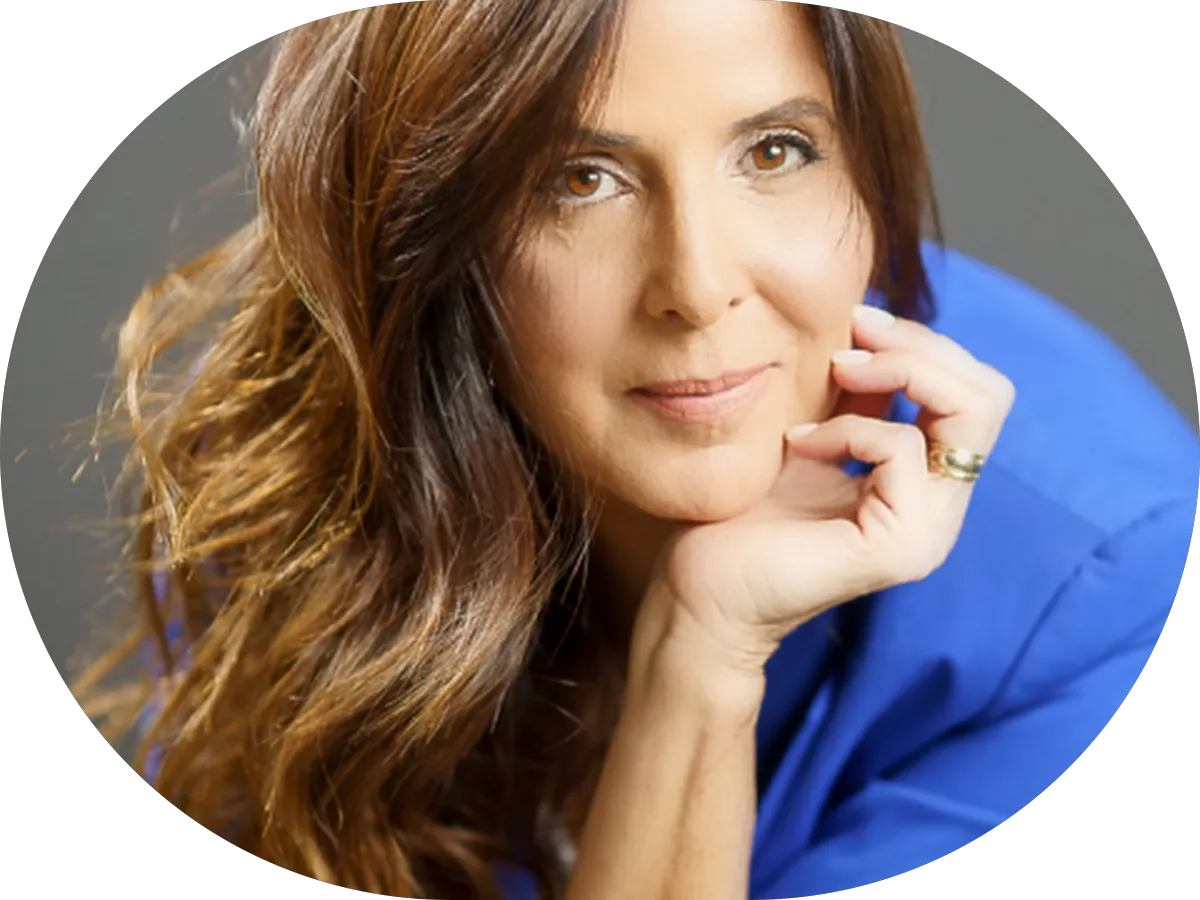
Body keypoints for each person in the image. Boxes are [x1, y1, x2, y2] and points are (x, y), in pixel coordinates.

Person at [72, 2, 1196, 898]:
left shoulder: (1110, 581)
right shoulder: (316, 450)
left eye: (776, 151)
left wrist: (703, 656)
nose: (697, 286)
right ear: (433, 235)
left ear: (868, 173)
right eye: (581, 180)